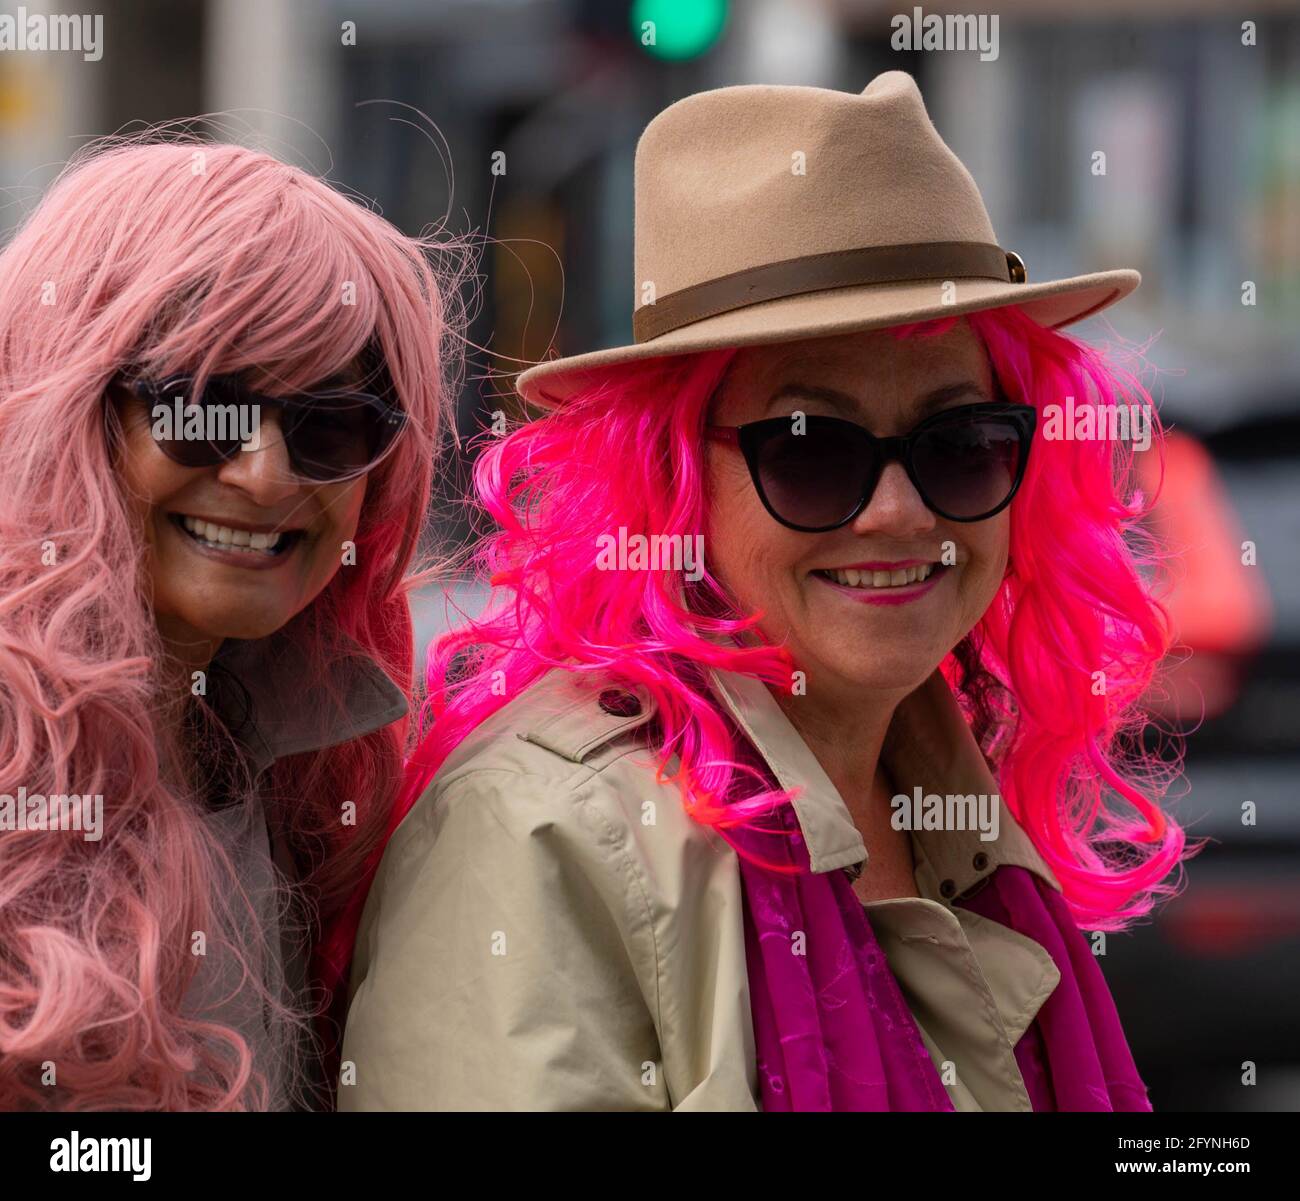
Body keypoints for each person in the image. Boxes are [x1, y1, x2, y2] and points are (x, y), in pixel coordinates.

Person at [339, 72, 1188, 1111]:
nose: (897, 512)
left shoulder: (953, 792)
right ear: (669, 477)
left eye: (960, 444)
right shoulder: (540, 829)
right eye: (809, 448)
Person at [0, 135, 462, 1110]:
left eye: (331, 425)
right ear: (67, 411)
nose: (263, 475)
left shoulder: (319, 770)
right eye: (203, 405)